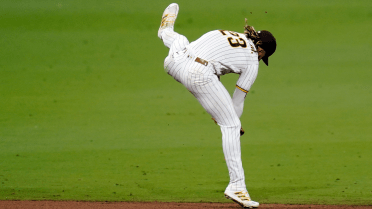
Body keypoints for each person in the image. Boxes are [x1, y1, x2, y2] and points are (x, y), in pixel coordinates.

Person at [157, 3, 276, 208]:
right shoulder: (252, 61)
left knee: (180, 40)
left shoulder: (228, 33)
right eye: (263, 55)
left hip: (174, 62)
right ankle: (237, 186)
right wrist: (232, 122)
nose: (260, 58)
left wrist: (220, 109)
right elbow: (237, 101)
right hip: (198, 74)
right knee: (230, 125)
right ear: (261, 49)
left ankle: (165, 31)